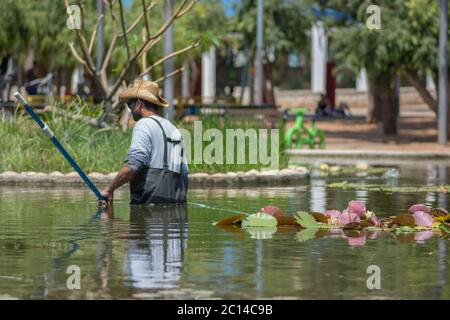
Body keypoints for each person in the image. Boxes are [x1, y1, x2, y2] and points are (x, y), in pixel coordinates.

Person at [101, 80, 188, 205]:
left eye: (130, 104)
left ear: (139, 104)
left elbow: (133, 165)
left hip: (149, 210)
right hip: (176, 209)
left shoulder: (143, 124)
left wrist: (109, 189)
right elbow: (184, 172)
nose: (130, 109)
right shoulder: (174, 129)